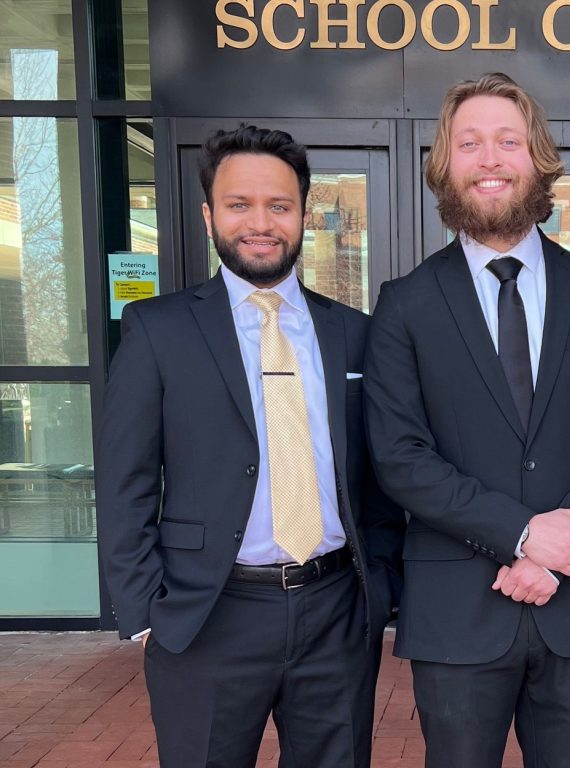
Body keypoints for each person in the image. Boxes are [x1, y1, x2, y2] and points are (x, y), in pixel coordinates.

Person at [96, 124, 404, 768]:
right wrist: (145, 609)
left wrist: (379, 585)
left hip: (334, 613)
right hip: (207, 613)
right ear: (209, 214)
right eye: (239, 205)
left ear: (303, 214)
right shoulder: (157, 330)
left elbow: (378, 474)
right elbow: (123, 482)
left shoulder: (354, 332)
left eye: (279, 205)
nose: (260, 222)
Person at [363, 72, 570, 768]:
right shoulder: (405, 304)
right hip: (459, 610)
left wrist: (562, 546)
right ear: (444, 167)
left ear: (536, 158)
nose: (489, 159)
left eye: (508, 141)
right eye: (469, 143)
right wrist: (519, 535)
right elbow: (399, 455)